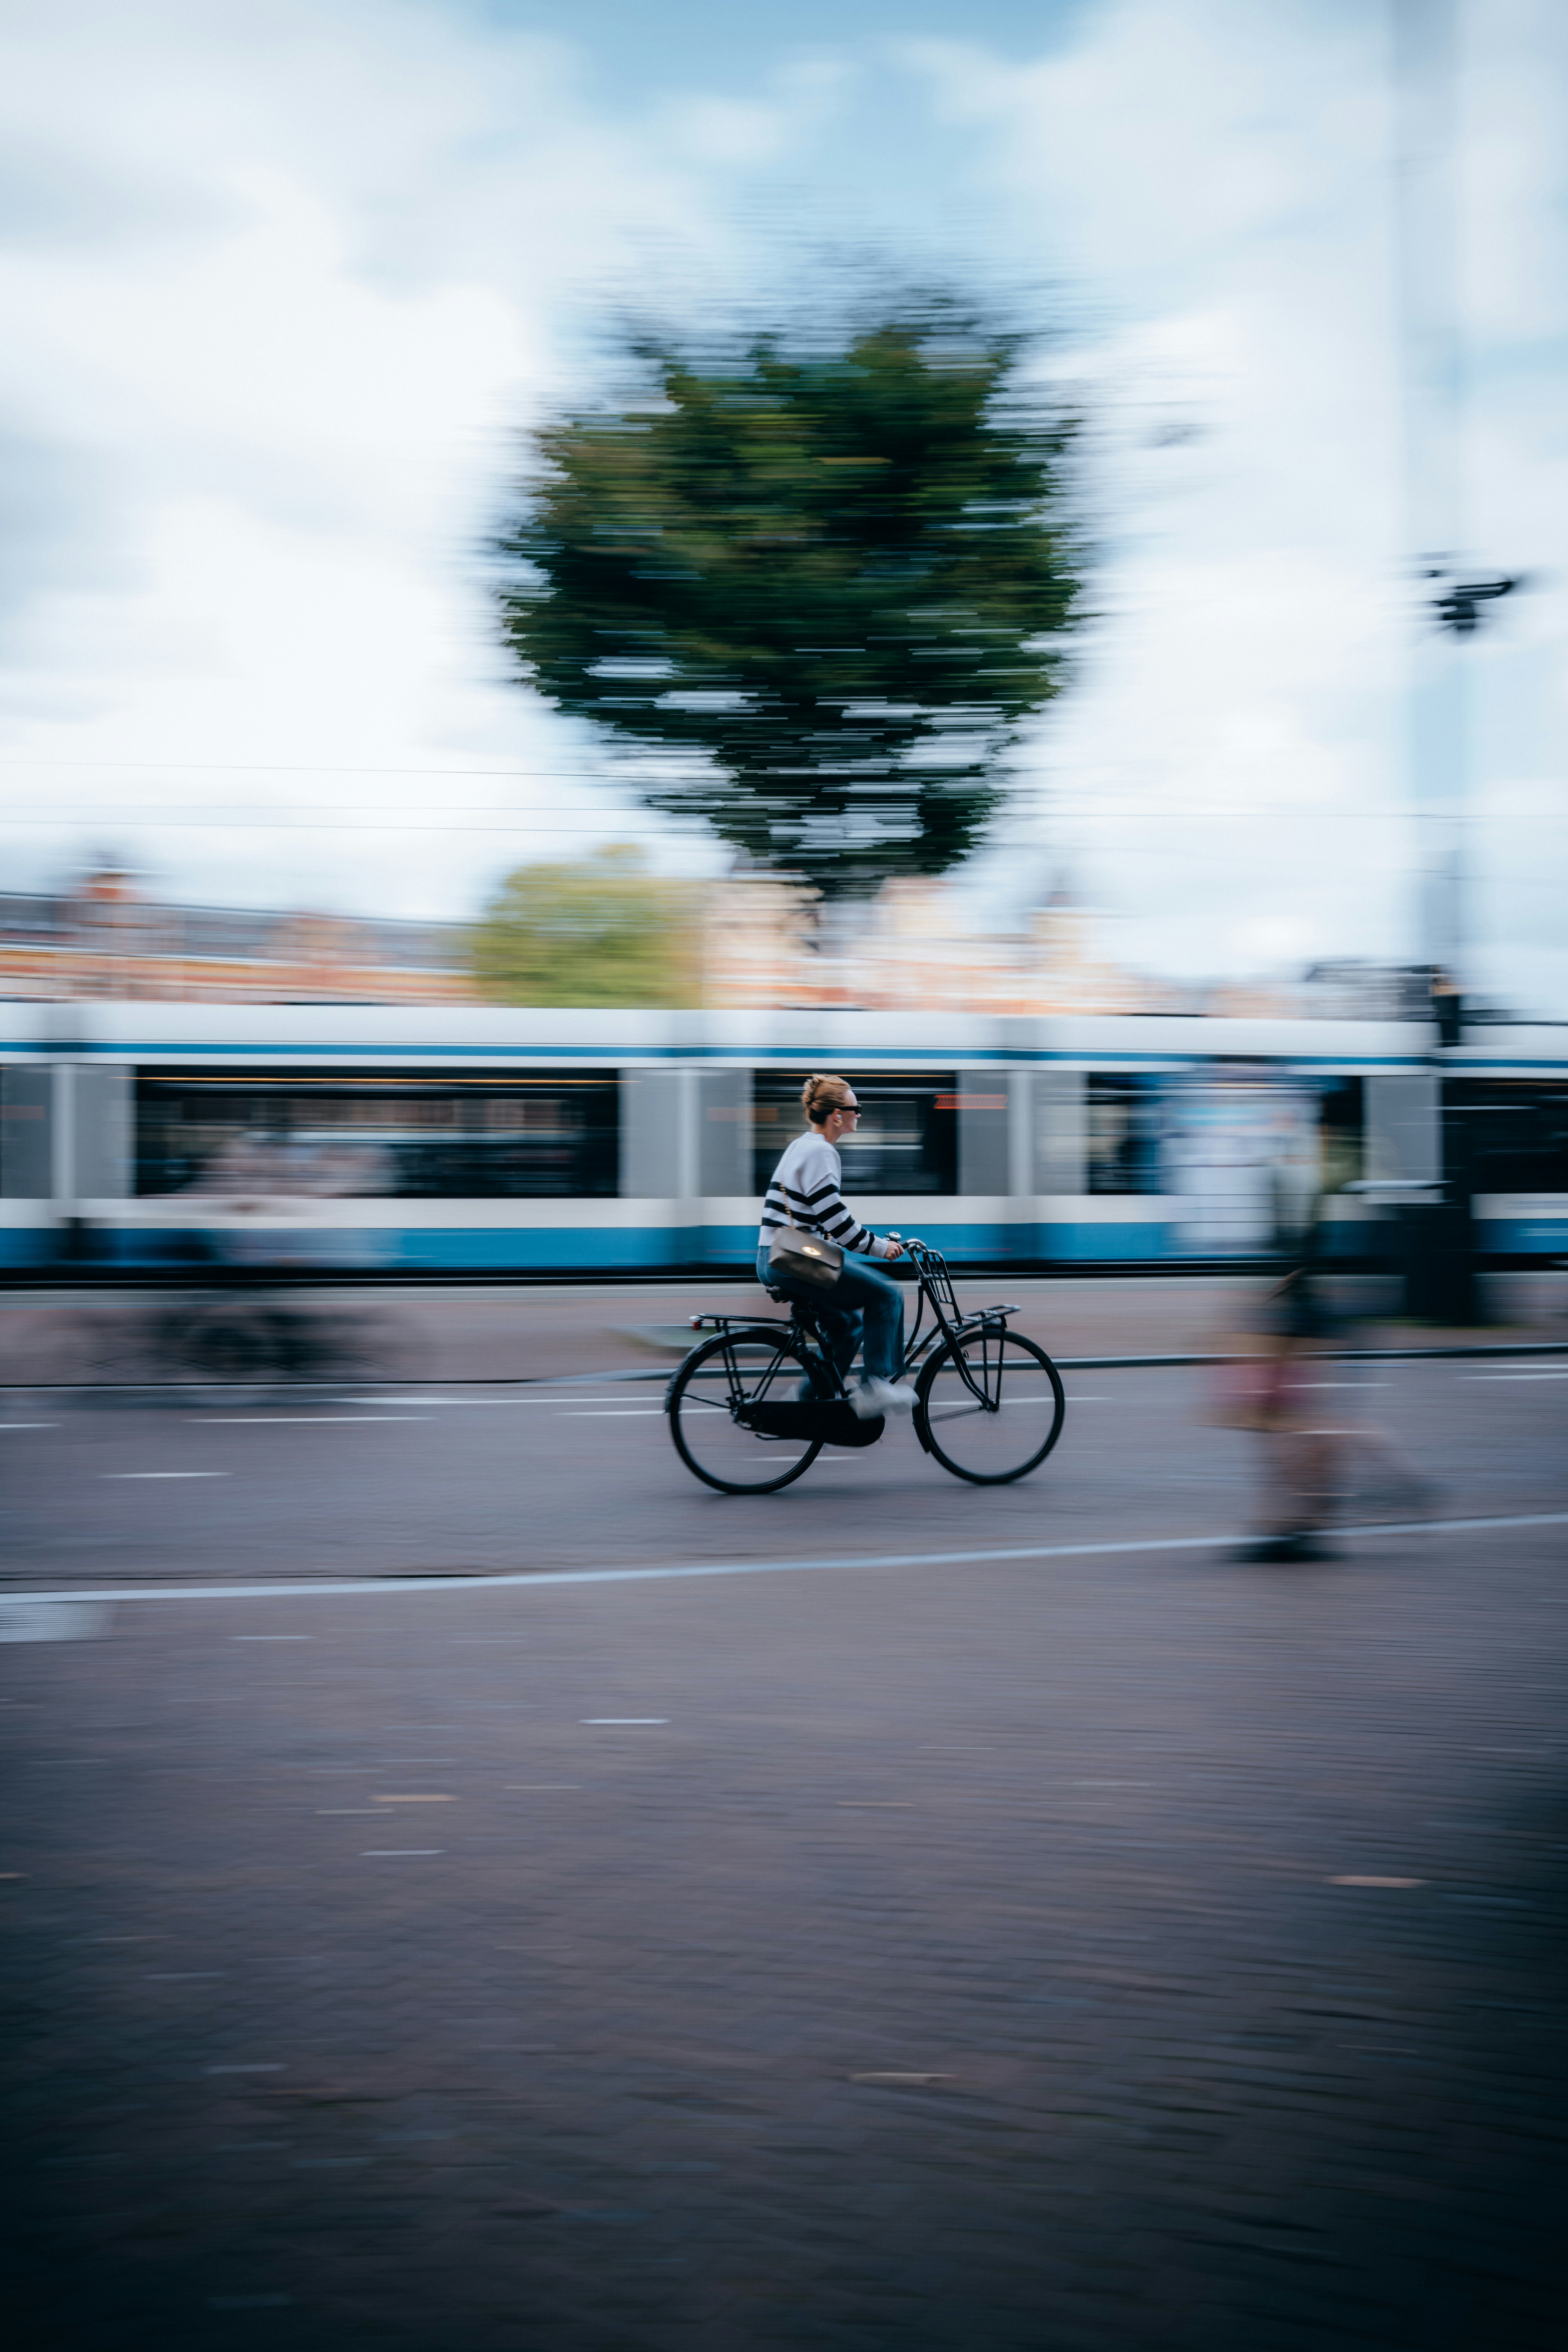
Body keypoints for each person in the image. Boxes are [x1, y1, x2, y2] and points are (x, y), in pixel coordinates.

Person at [758, 1075, 918, 1419]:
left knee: (848, 1328)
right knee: (887, 1295)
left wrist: (871, 1242)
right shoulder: (821, 1151)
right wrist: (879, 1248)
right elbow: (837, 1223)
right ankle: (875, 1387)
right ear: (836, 1115)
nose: (859, 1114)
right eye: (855, 1109)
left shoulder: (802, 1145)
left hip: (779, 1256)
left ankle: (808, 1405)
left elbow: (818, 1218)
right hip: (795, 1260)